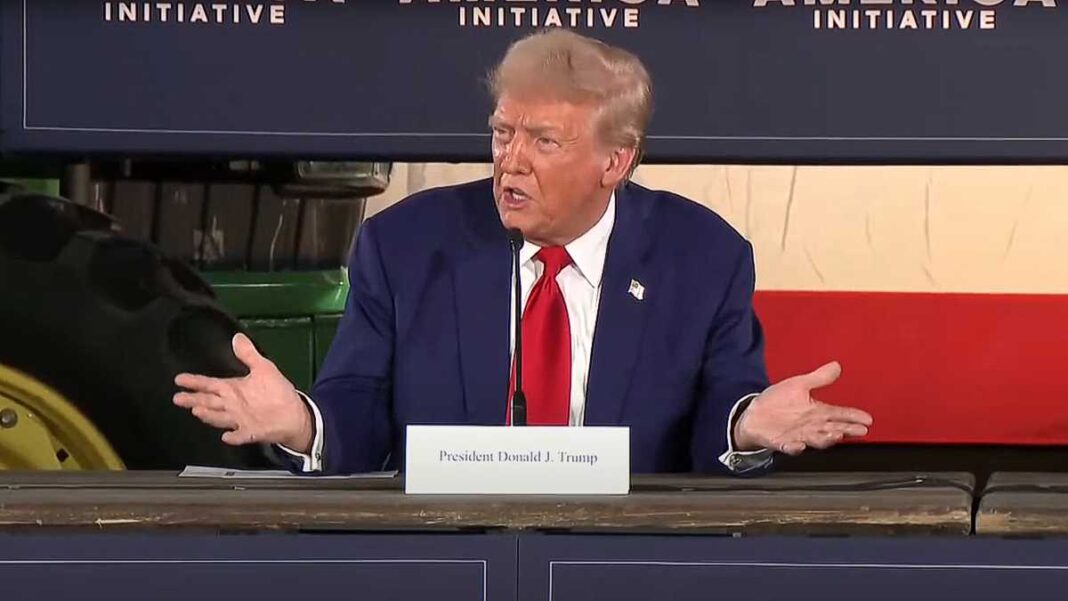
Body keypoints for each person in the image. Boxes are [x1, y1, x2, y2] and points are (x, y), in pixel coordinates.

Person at [173, 29, 873, 475]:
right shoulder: (407, 245)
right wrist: (305, 421)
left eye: (544, 142)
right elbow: (360, 403)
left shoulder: (703, 258)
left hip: (623, 563)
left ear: (615, 161)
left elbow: (714, 416)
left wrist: (745, 426)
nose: (512, 163)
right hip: (449, 558)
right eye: (503, 133)